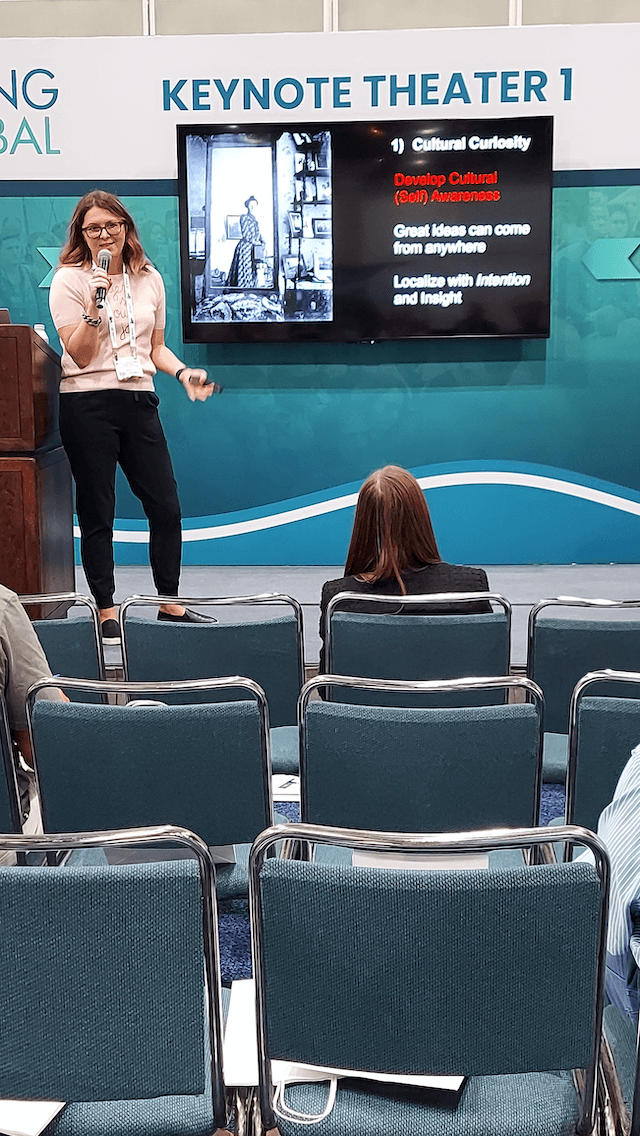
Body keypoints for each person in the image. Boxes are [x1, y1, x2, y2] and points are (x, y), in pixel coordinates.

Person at [49, 190, 217, 644]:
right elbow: (80, 355)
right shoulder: (69, 279)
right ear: (81, 235)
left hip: (139, 400)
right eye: (94, 228)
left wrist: (183, 372)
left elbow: (154, 347)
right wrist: (95, 302)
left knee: (166, 505)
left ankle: (170, 603)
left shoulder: (151, 279)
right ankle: (105, 610)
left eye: (112, 225)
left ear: (126, 227)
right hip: (86, 402)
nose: (104, 235)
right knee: (98, 509)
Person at [319, 465, 491, 672]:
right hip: (452, 705)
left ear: (362, 525)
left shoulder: (340, 599)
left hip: (369, 705)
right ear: (421, 518)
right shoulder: (470, 588)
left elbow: (329, 686)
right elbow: (489, 675)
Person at [226, 196, 263, 288]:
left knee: (253, 269)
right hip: (245, 248)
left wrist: (261, 242)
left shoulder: (256, 220)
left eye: (254, 205)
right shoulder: (244, 217)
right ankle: (242, 289)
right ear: (247, 206)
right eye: (251, 205)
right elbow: (246, 234)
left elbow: (258, 234)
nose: (252, 207)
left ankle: (250, 288)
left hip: (254, 248)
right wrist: (255, 241)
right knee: (244, 269)